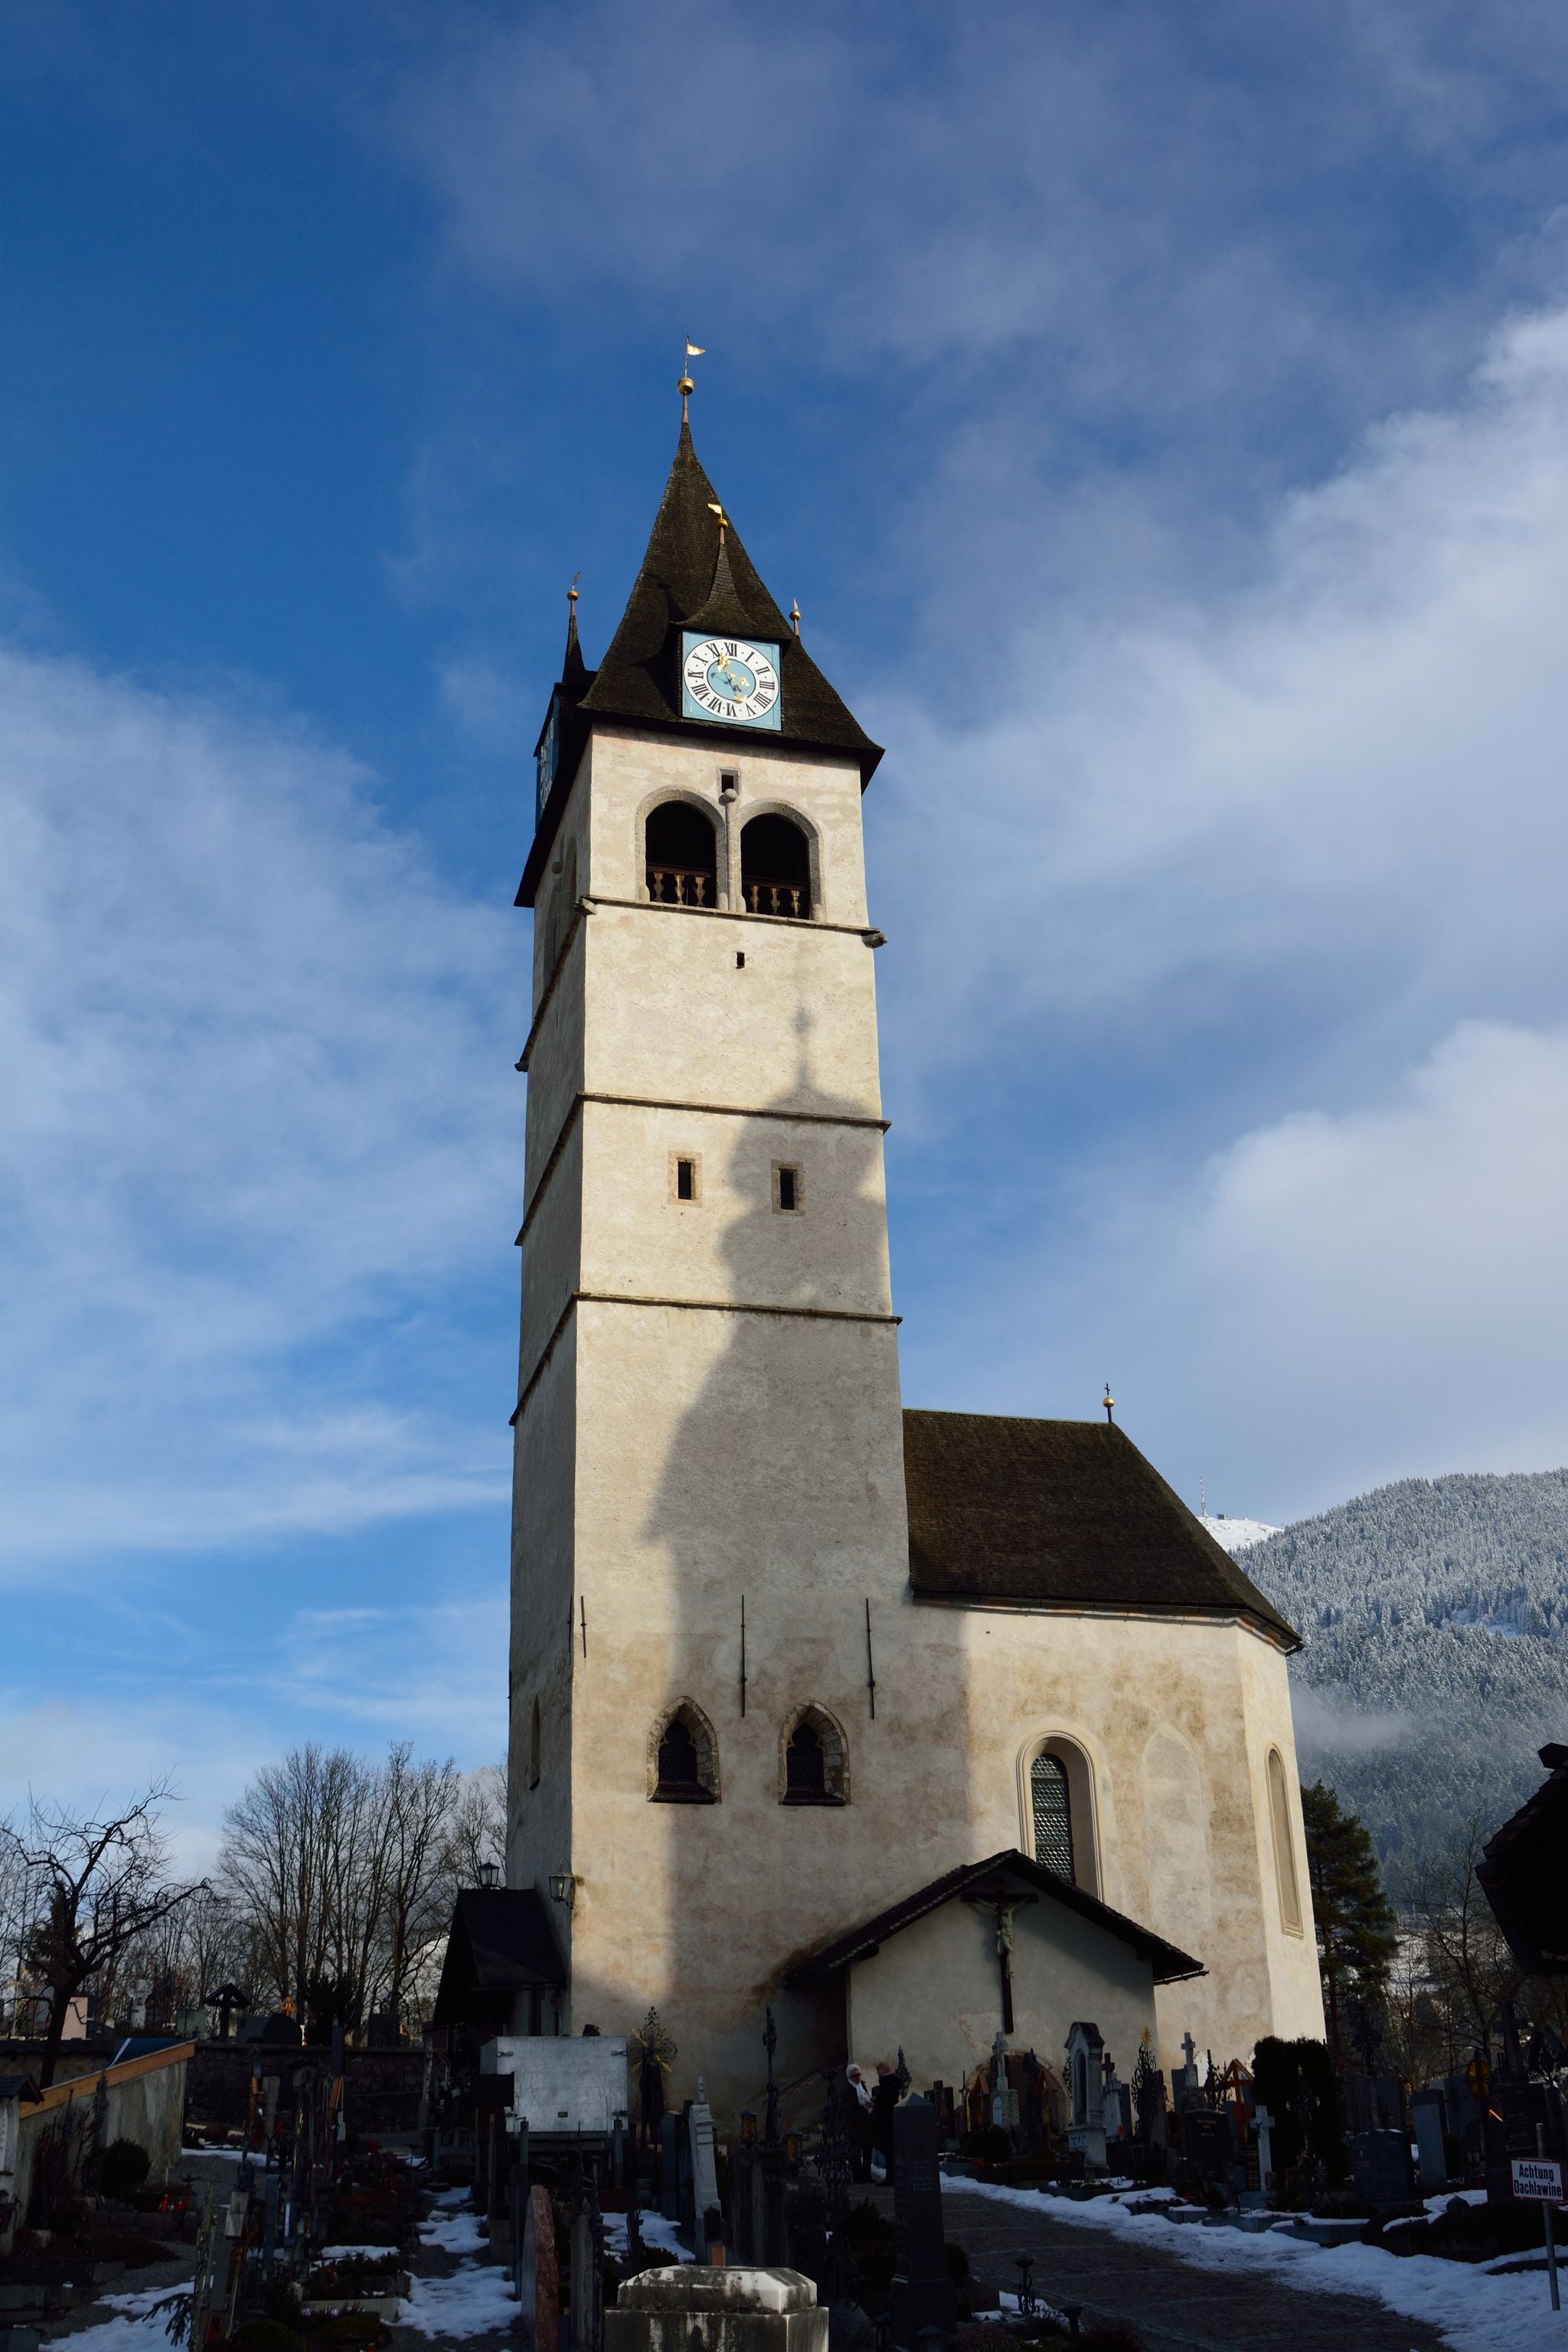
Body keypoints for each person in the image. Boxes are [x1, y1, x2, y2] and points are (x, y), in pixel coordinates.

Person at [844, 2062, 874, 2183]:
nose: (858, 2078)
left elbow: (865, 2098)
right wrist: (863, 2105)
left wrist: (868, 2103)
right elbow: (849, 2107)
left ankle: (867, 2174)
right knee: (855, 2151)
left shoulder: (863, 2086)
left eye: (859, 2075)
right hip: (855, 2124)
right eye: (855, 2076)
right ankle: (857, 2175)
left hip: (866, 2123)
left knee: (868, 2150)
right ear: (850, 2077)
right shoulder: (848, 2090)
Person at [871, 2059, 898, 2184]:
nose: (877, 2073)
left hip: (885, 2119)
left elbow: (884, 2101)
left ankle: (890, 2177)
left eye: (879, 2070)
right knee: (890, 2149)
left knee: (888, 2149)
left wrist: (875, 2101)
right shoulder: (894, 2081)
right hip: (892, 2118)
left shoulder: (885, 2081)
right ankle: (891, 2176)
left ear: (884, 2070)